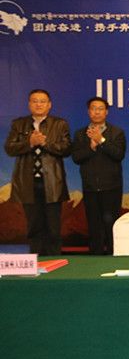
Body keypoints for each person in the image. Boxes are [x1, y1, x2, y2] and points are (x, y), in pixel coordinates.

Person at [4, 89, 71, 255]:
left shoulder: (60, 124)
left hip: (53, 182)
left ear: (49, 105)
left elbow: (66, 148)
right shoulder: (18, 124)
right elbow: (9, 148)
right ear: (29, 104)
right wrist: (30, 142)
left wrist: (45, 143)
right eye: (35, 101)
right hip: (28, 183)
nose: (39, 104)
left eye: (42, 101)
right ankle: (36, 259)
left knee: (53, 226)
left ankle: (55, 259)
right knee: (34, 225)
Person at [71, 97, 126, 255]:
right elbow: (76, 157)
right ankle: (95, 257)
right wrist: (91, 147)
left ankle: (113, 255)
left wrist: (101, 140)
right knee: (94, 225)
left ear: (106, 112)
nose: (97, 112)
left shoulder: (117, 132)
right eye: (93, 108)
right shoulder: (80, 134)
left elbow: (118, 155)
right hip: (90, 187)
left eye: (100, 109)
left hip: (112, 187)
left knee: (112, 225)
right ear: (89, 112)